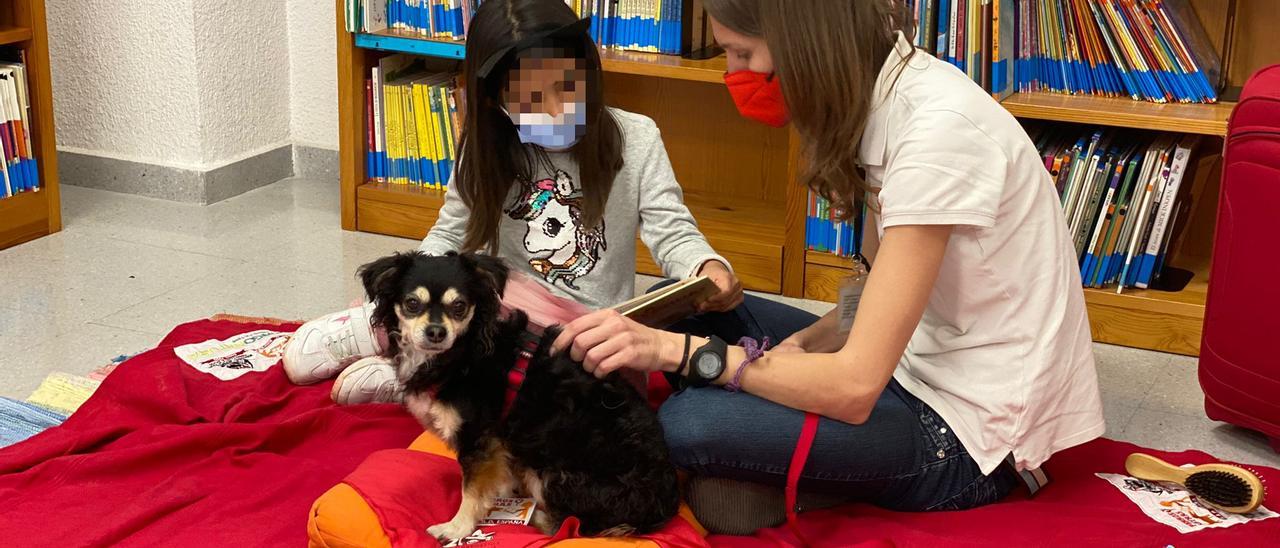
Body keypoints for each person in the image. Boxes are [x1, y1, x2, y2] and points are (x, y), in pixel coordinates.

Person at [550, 0, 1105, 533]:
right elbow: (876, 291)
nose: (734, 74)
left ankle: (791, 478)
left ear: (802, 43)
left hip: (968, 438)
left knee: (688, 421)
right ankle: (776, 465)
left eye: (742, 53)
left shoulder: (938, 133)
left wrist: (681, 355)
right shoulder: (885, 96)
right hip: (910, 359)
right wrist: (803, 348)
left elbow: (855, 385)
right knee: (682, 302)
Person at [284, 0, 810, 405]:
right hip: (505, 320)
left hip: (594, 338)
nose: (556, 108)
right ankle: (387, 329)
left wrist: (707, 265)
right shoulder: (486, 148)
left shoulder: (637, 137)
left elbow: (673, 232)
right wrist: (411, 287)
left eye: (567, 86)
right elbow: (448, 237)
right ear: (496, 100)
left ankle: (417, 372)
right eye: (530, 99)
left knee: (533, 337)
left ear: (588, 70)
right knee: (479, 290)